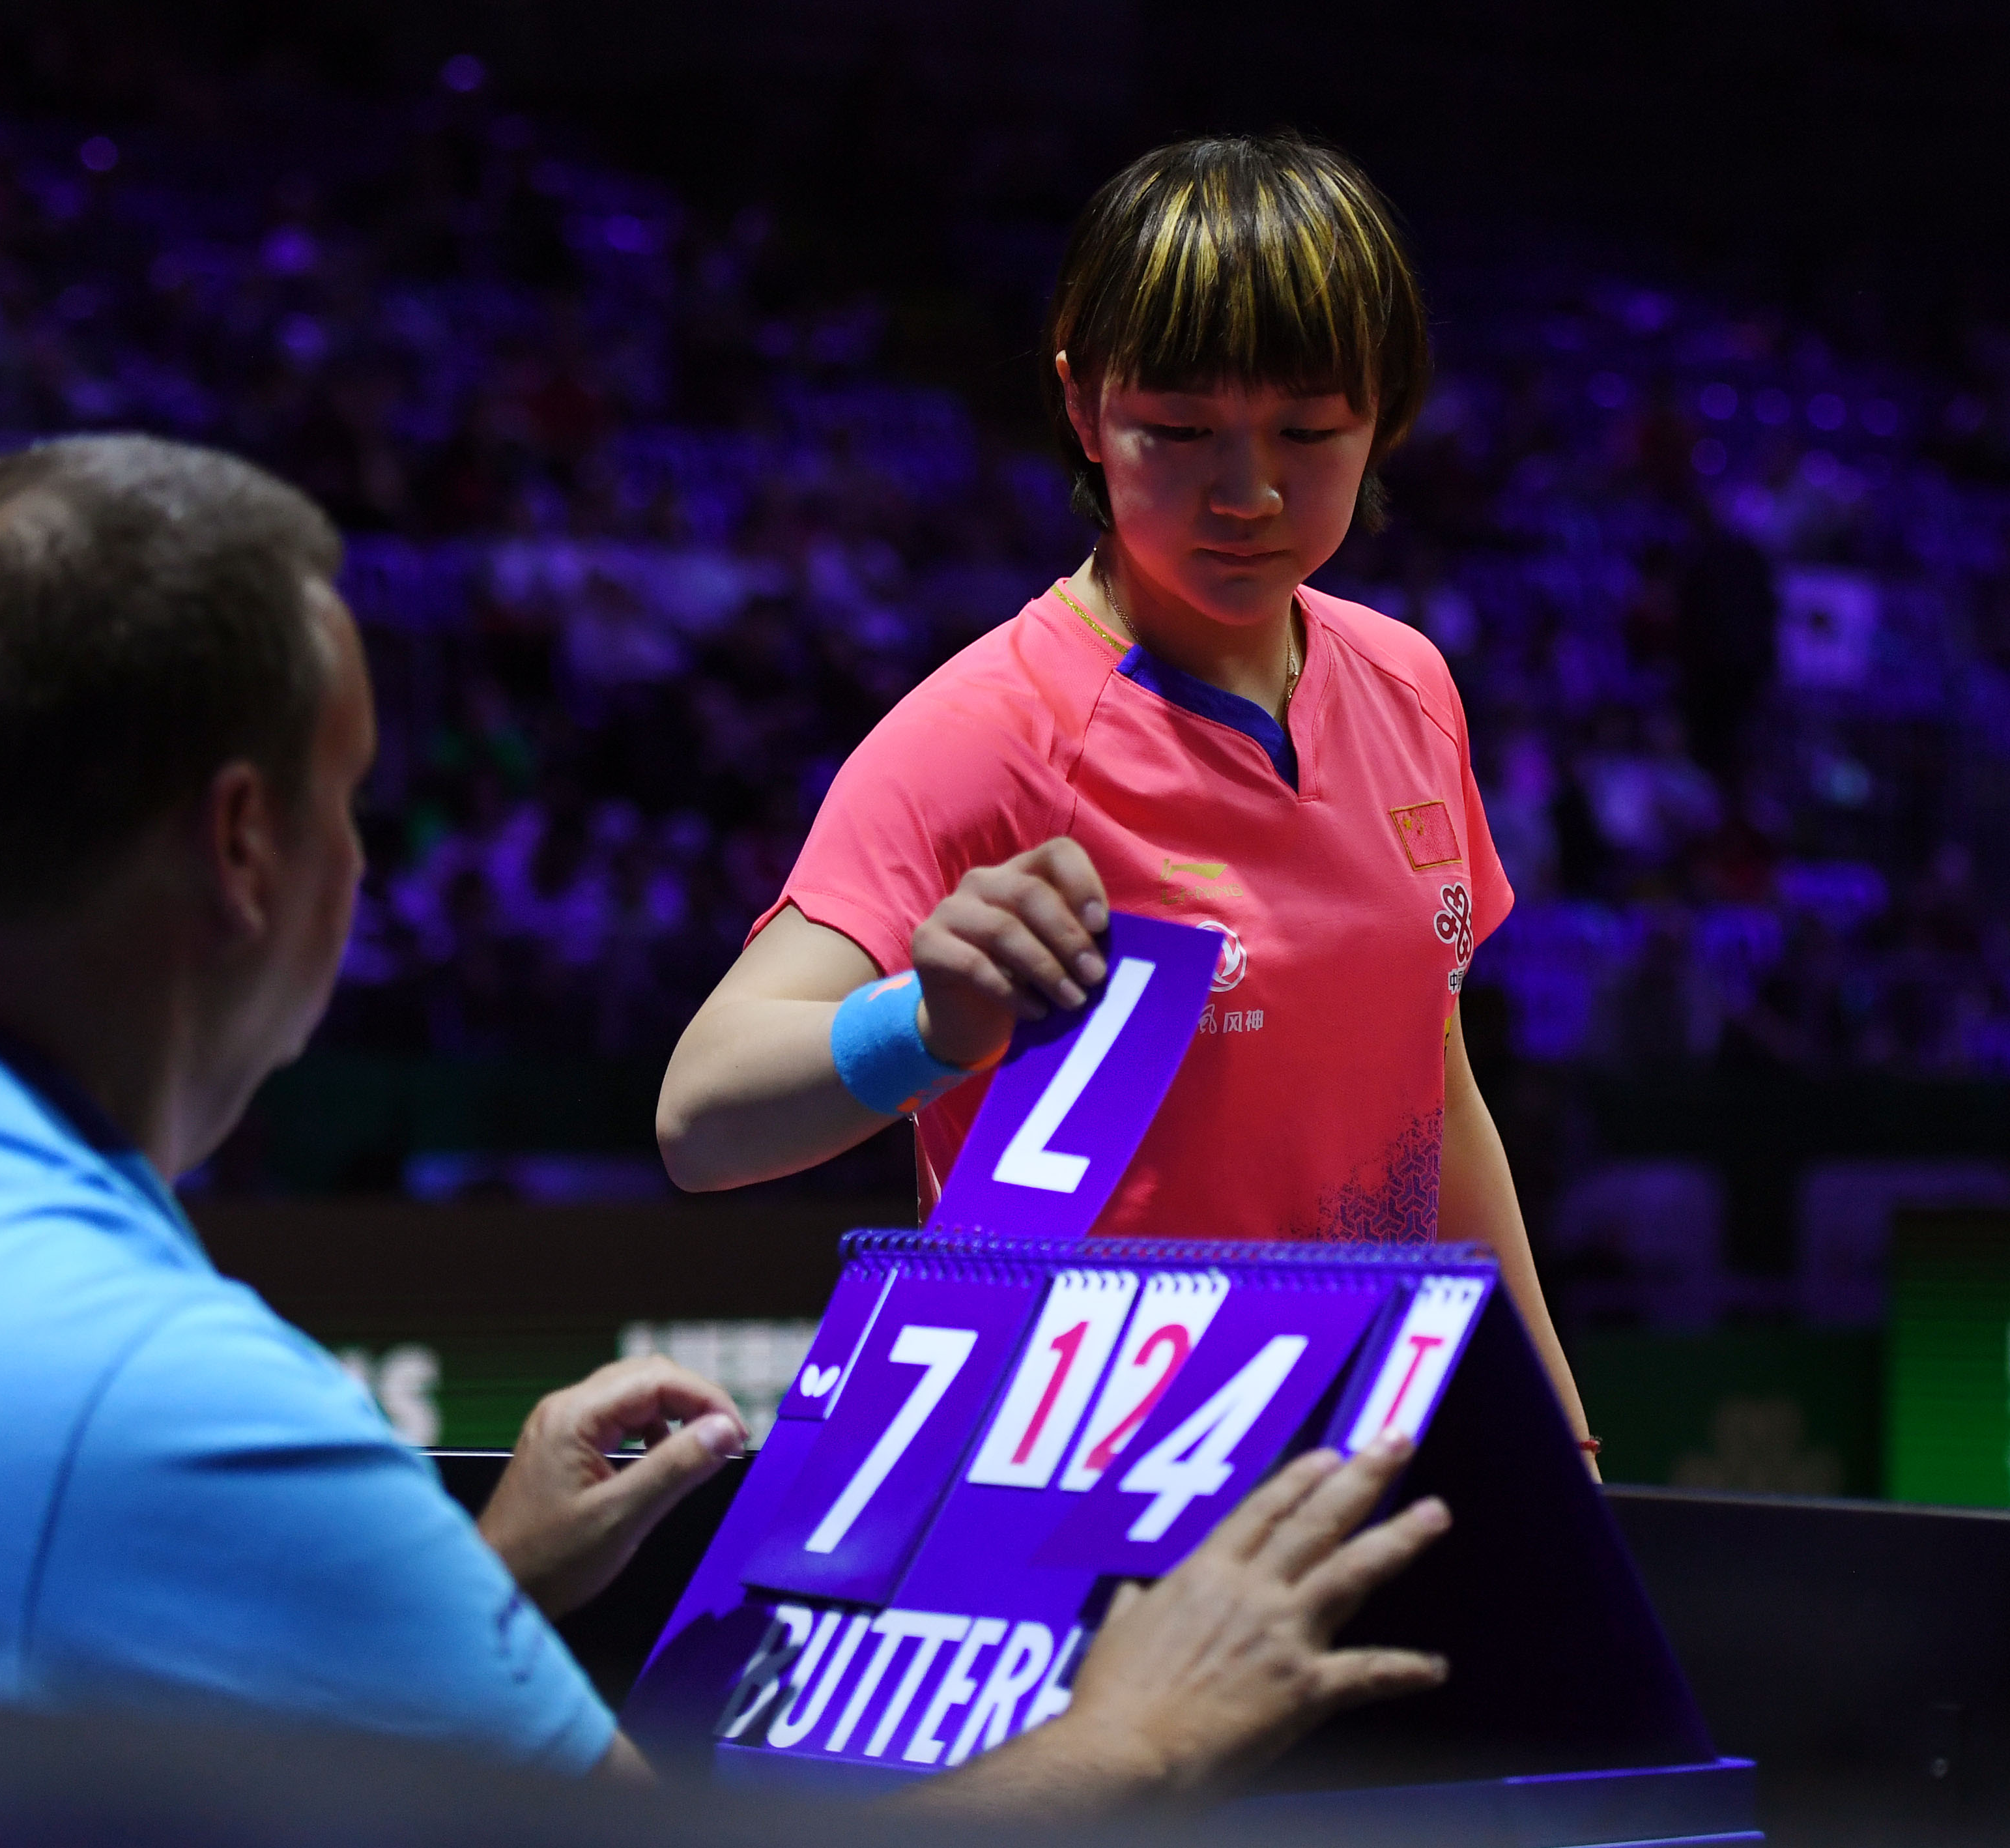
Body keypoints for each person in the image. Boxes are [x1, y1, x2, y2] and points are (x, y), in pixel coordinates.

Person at [0, 435, 1450, 1813]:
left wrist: (462, 1592)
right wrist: (1141, 1730)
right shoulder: (167, 1403)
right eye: (353, 798)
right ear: (248, 847)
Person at [657, 136, 1596, 1459]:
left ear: (1383, 410)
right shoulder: (987, 737)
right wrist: (928, 1023)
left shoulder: (1408, 684)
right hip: (1069, 1490)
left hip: (1352, 1469)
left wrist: (1557, 1442)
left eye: (1307, 430)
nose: (1247, 491)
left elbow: (1428, 1087)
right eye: (1180, 429)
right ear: (1085, 408)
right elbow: (702, 1117)